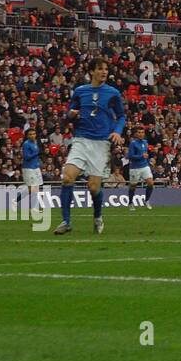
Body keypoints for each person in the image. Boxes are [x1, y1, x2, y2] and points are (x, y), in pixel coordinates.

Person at [54, 57, 126, 236]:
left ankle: (98, 216)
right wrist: (71, 114)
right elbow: (70, 113)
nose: (104, 72)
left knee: (94, 187)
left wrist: (117, 131)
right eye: (100, 69)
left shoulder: (113, 93)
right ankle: (66, 221)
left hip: (100, 144)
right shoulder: (80, 91)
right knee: (67, 177)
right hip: (81, 140)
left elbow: (122, 116)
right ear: (91, 71)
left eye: (106, 69)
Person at [126, 124, 155, 210]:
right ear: (136, 134)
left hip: (144, 166)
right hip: (135, 168)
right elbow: (130, 156)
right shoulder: (133, 143)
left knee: (151, 183)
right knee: (133, 186)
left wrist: (148, 162)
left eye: (142, 132)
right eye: (139, 132)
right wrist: (141, 156)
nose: (141, 134)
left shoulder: (145, 142)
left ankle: (146, 201)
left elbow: (145, 155)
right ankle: (130, 202)